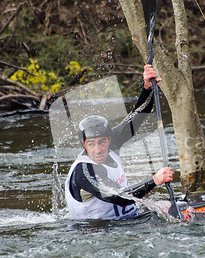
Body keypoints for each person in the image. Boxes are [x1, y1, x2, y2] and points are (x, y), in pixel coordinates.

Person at [65, 65, 174, 220]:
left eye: (102, 142)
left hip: (127, 221)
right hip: (99, 231)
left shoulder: (112, 141)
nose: (98, 149)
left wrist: (147, 88)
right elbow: (117, 197)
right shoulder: (84, 171)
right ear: (84, 144)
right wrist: (154, 180)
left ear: (109, 139)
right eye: (91, 144)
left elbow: (137, 116)